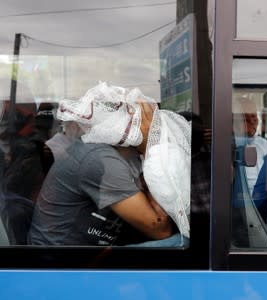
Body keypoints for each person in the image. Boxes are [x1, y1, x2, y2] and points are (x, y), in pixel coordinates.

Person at [28, 82, 190, 246]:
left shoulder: (120, 153)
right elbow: (160, 228)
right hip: (61, 263)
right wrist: (152, 147)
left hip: (83, 252)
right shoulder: (100, 158)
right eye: (150, 120)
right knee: (182, 243)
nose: (159, 127)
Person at [233, 98, 267, 195]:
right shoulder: (224, 145)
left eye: (253, 116)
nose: (251, 121)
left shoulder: (265, 146)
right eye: (245, 118)